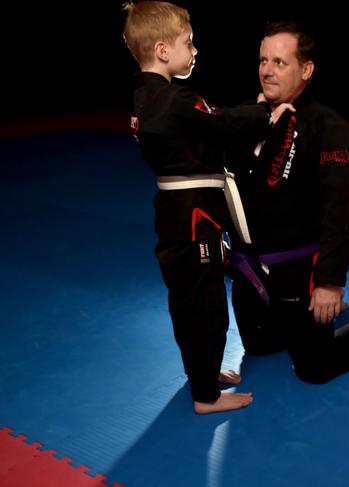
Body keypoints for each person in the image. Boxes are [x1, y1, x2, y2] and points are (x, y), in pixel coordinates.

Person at [122, 1, 292, 414]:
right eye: (188, 42)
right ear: (163, 50)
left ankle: (203, 371)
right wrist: (265, 114)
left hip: (178, 211)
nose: (194, 50)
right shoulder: (175, 99)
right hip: (193, 214)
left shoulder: (145, 99)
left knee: (188, 299)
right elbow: (220, 122)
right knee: (206, 303)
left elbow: (203, 134)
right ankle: (206, 395)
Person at [227, 21, 349, 384]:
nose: (267, 70)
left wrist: (329, 282)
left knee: (315, 367)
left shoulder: (327, 126)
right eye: (263, 60)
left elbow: (340, 210)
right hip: (249, 271)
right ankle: (304, 320)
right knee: (259, 346)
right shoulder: (243, 117)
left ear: (306, 69)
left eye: (280, 62)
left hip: (299, 270)